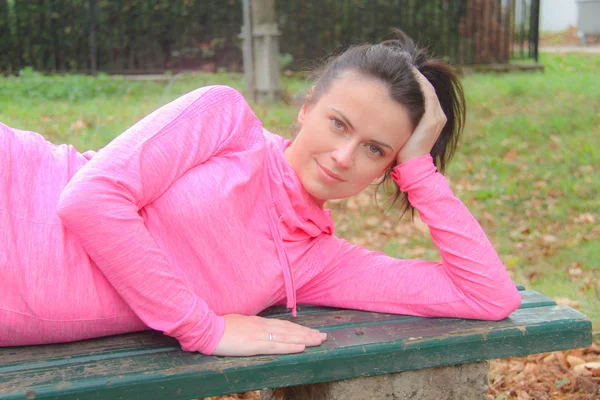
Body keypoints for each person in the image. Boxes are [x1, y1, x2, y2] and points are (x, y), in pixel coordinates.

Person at [0, 30, 521, 357]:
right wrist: (202, 328)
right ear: (307, 106)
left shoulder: (316, 262)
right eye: (338, 124)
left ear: (389, 168)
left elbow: (486, 296)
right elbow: (90, 199)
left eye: (375, 150)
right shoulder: (225, 121)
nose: (343, 156)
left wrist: (421, 170)